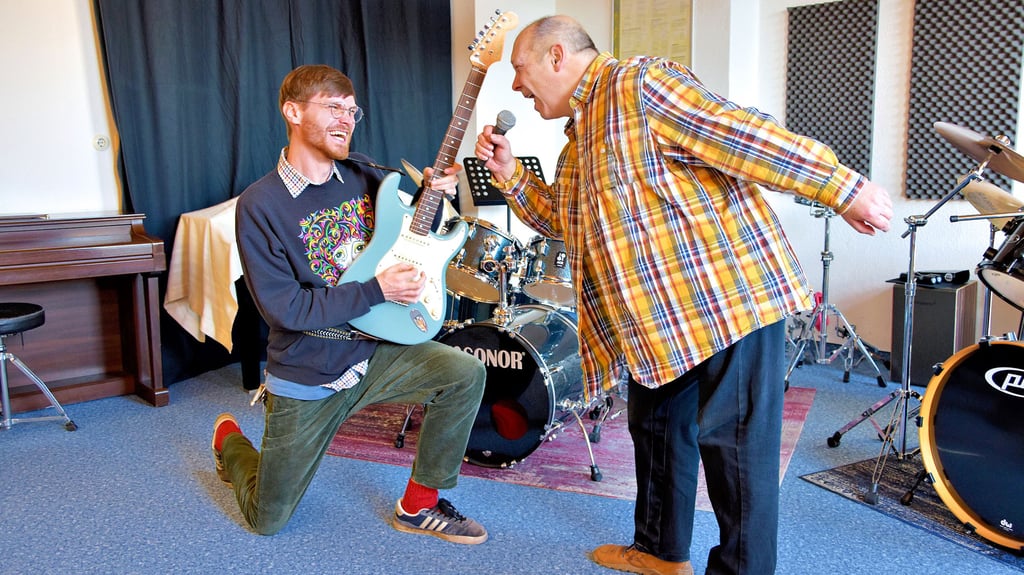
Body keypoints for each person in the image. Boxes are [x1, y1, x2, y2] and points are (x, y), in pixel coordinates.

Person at [475, 15, 893, 575]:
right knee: (655, 431)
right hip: (658, 324)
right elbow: (565, 222)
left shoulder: (640, 85)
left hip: (726, 303)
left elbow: (745, 137)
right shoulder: (579, 140)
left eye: (520, 70)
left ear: (556, 56)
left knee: (735, 451)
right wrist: (510, 175)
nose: (517, 88)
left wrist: (843, 187)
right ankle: (659, 552)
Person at [212, 64, 488, 543]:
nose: (346, 119)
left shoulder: (364, 174)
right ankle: (231, 443)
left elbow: (397, 238)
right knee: (266, 519)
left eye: (352, 110)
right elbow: (285, 310)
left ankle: (419, 507)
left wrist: (429, 194)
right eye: (333, 108)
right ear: (293, 112)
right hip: (309, 366)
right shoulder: (260, 204)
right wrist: (377, 291)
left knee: (465, 372)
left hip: (373, 351)